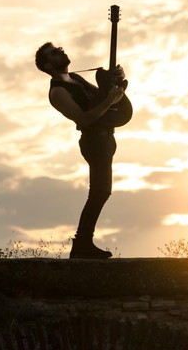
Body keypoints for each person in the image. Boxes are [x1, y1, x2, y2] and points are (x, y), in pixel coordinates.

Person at [34, 42, 128, 259]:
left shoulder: (75, 78)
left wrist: (116, 81)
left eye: (59, 48)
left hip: (106, 138)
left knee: (100, 191)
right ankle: (82, 244)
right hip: (93, 141)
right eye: (55, 53)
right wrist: (109, 101)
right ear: (48, 64)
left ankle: (83, 243)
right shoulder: (58, 91)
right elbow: (84, 118)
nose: (61, 51)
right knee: (99, 191)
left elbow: (104, 97)